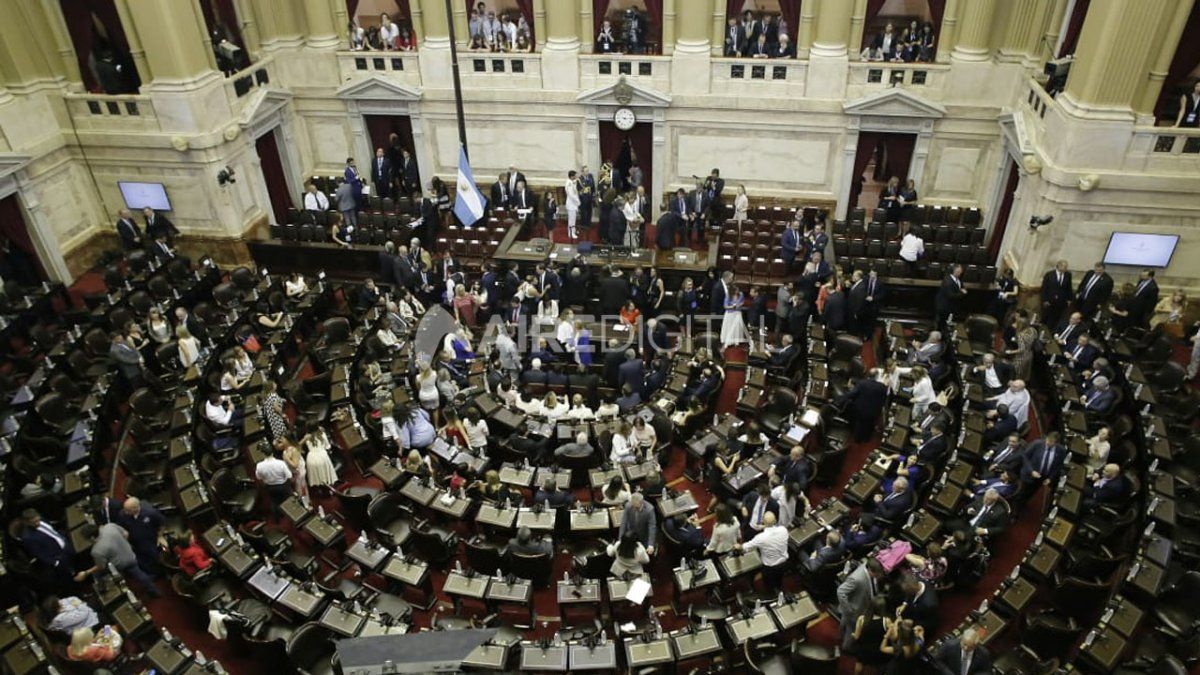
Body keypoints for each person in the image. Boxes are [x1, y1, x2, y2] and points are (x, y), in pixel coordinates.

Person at [83, 522, 160, 597]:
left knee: (97, 574)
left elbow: (101, 567)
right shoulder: (110, 526)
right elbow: (126, 533)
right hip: (131, 555)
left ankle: (103, 590)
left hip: (120, 565)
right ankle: (154, 590)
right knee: (139, 574)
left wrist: (87, 572)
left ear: (92, 537)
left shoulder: (96, 550)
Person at [837, 557, 886, 650]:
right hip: (855, 610)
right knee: (850, 629)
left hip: (863, 605)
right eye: (877, 574)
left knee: (844, 623)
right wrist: (849, 609)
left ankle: (841, 638)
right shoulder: (857, 578)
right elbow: (840, 591)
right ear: (871, 571)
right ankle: (846, 649)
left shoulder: (869, 569)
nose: (879, 576)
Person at [736, 511, 789, 591]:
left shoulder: (760, 538)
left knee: (769, 587)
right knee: (779, 581)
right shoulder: (783, 530)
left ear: (763, 522)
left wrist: (737, 546)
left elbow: (744, 547)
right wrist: (765, 527)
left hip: (770, 568)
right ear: (775, 521)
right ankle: (779, 589)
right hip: (783, 564)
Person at [839, 370, 890, 442]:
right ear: (877, 377)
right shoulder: (882, 387)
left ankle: (857, 439)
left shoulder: (862, 383)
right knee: (869, 426)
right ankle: (866, 439)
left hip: (861, 411)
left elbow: (851, 394)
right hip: (873, 413)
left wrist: (839, 400)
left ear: (868, 375)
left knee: (859, 426)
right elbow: (883, 401)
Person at [849, 596, 890, 673]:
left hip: (864, 651)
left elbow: (857, 637)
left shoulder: (861, 619)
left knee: (859, 664)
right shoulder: (886, 621)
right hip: (878, 651)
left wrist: (852, 634)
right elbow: (892, 636)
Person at [255, 445, 293, 521]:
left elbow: (258, 477)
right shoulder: (281, 463)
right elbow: (289, 476)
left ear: (263, 454)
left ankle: (278, 518)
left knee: (274, 503)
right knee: (288, 502)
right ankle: (291, 517)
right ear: (272, 453)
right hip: (283, 486)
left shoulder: (259, 466)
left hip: (270, 487)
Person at [302, 425, 337, 492]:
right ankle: (330, 491)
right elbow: (328, 446)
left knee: (317, 478)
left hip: (311, 458)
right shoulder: (322, 434)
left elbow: (299, 445)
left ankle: (321, 490)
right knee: (327, 476)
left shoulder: (306, 437)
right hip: (322, 456)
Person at [1005, 315, 1037, 381]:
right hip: (1030, 354)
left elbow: (1022, 349)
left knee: (1016, 373)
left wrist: (1010, 352)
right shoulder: (1033, 330)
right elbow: (1035, 338)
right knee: (1024, 373)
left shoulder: (1020, 335)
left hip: (1021, 357)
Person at [721, 284, 750, 350]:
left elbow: (742, 302)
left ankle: (736, 341)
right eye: (736, 290)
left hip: (737, 313)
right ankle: (729, 341)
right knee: (730, 327)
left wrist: (740, 304)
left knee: (737, 328)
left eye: (738, 290)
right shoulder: (728, 295)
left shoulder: (741, 294)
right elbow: (725, 306)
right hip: (730, 314)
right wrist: (732, 306)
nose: (737, 291)